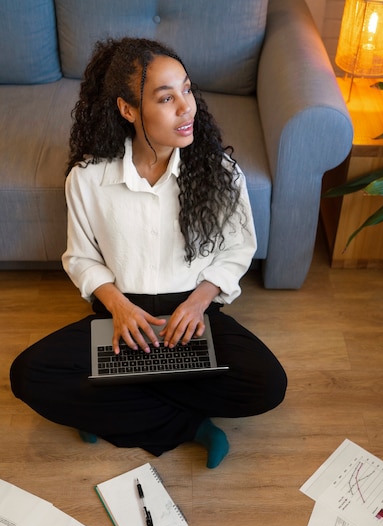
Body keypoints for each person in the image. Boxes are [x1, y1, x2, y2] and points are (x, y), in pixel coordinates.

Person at [10, 38, 287, 468]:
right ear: (128, 110)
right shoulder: (87, 179)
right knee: (27, 376)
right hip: (123, 317)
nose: (187, 107)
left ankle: (105, 407)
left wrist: (198, 304)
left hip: (191, 315)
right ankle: (193, 427)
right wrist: (118, 308)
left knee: (268, 385)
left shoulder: (221, 172)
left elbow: (237, 250)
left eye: (188, 89)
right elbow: (81, 258)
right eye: (166, 97)